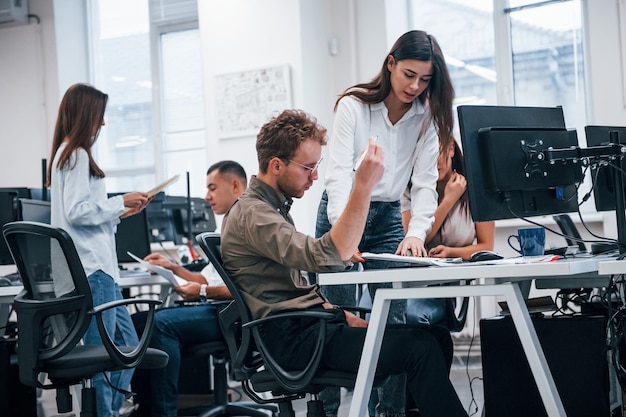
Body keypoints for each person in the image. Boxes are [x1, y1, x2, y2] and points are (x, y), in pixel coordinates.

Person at [221, 109, 468, 417]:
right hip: (297, 341)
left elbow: (294, 286)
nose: (314, 177)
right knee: (420, 349)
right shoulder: (255, 215)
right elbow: (321, 257)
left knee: (436, 337)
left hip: (311, 329)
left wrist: (338, 314)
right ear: (276, 165)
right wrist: (362, 186)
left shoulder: (271, 209)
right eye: (308, 168)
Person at [315, 30, 455, 417]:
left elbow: (426, 184)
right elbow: (339, 176)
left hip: (391, 216)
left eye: (425, 79)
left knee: (394, 322)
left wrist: (414, 234)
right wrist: (347, 233)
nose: (415, 86)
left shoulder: (426, 118)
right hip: (343, 212)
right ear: (390, 63)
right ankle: (323, 410)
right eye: (409, 74)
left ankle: (388, 413)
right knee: (332, 318)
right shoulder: (353, 106)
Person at [48, 82, 151, 417]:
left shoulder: (68, 155)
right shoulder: (75, 154)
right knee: (105, 362)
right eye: (100, 116)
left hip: (99, 271)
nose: (103, 124)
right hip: (92, 271)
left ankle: (106, 411)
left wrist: (120, 211)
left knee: (129, 348)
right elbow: (78, 211)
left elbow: (82, 213)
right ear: (85, 115)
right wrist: (118, 201)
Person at [130, 161, 247, 417]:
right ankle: (143, 407)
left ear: (235, 186)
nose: (207, 196)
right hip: (219, 306)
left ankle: (164, 412)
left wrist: (201, 293)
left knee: (161, 324)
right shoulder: (227, 224)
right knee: (137, 322)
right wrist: (172, 267)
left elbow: (245, 289)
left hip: (233, 315)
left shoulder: (245, 224)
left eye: (213, 188)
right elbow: (208, 279)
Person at [402, 140, 495, 325]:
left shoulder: (477, 190)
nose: (431, 162)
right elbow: (414, 239)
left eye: (436, 152)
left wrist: (451, 252)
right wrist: (447, 201)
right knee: (372, 315)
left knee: (409, 317)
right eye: (423, 156)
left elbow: (486, 247)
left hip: (444, 289)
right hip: (410, 281)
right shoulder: (408, 190)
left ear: (451, 149)